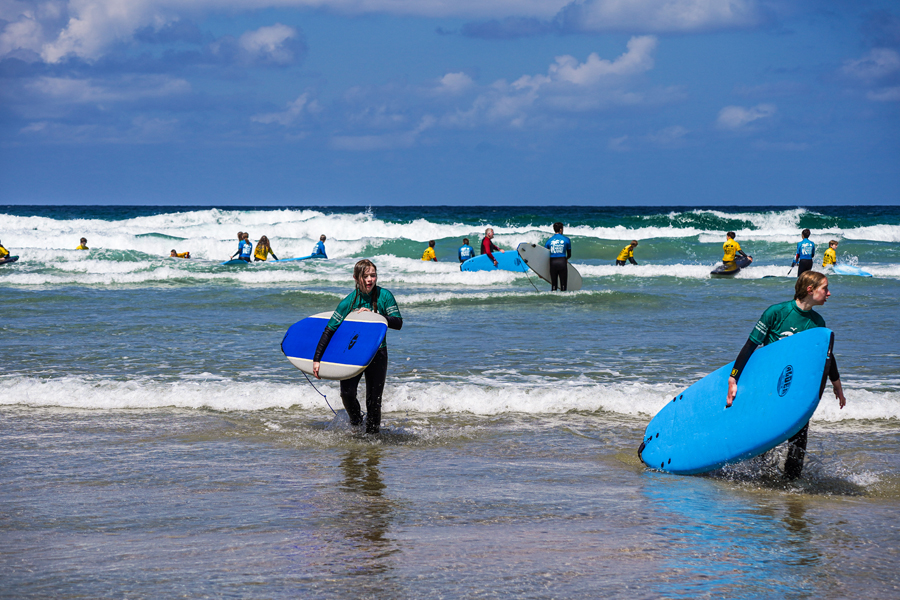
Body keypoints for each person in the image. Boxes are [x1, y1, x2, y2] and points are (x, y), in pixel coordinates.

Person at [726, 271, 846, 479]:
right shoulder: (776, 312)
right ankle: (758, 479)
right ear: (810, 290)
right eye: (825, 288)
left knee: (799, 438)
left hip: (796, 389)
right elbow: (750, 346)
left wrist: (836, 384)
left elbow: (827, 356)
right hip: (769, 387)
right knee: (765, 436)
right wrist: (733, 378)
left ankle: (792, 483)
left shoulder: (817, 323)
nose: (829, 293)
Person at [312, 259, 403, 434]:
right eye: (365, 276)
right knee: (347, 394)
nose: (370, 280)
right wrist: (317, 359)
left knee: (374, 401)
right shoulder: (348, 302)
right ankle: (356, 423)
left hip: (377, 353)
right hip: (352, 354)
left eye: (373, 275)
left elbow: (398, 323)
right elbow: (330, 329)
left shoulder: (385, 296)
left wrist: (376, 316)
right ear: (355, 278)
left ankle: (372, 440)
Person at [545, 222, 572, 291]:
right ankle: (563, 298)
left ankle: (553, 297)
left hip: (553, 262)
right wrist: (566, 258)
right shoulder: (566, 239)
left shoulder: (549, 241)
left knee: (554, 286)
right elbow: (569, 254)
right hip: (562, 262)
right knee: (563, 286)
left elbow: (545, 255)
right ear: (560, 229)